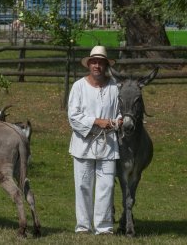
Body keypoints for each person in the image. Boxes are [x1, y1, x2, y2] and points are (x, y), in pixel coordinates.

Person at [68, 46, 122, 235]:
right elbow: (73, 116)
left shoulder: (114, 88)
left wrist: (116, 122)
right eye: (94, 62)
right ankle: (83, 226)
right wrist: (97, 122)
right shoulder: (78, 86)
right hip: (84, 143)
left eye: (101, 62)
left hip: (108, 143)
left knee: (106, 186)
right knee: (83, 185)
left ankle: (104, 227)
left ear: (106, 65)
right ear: (89, 64)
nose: (97, 65)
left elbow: (120, 113)